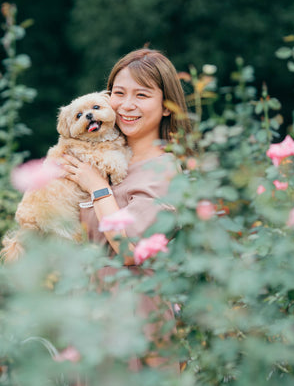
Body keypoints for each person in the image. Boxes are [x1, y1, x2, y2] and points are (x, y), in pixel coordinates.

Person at [59, 48, 192, 372]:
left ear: (165, 107)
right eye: (118, 93)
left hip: (136, 325)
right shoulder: (98, 162)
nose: (127, 105)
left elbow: (130, 248)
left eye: (142, 95)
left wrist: (99, 189)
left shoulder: (167, 170)